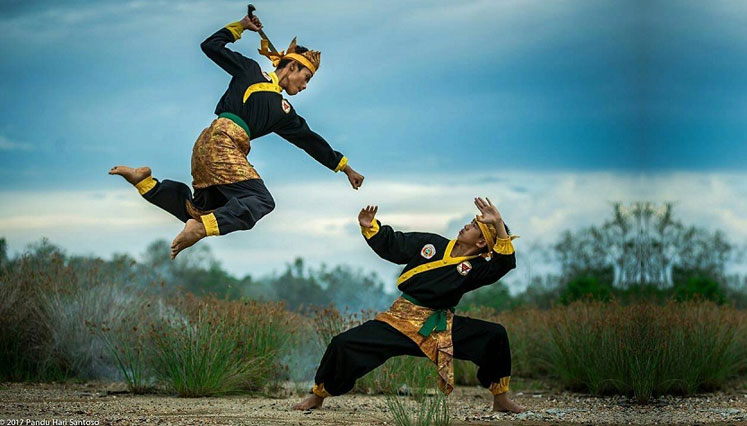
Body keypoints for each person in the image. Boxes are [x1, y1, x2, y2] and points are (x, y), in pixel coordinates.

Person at [110, 13, 364, 259]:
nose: (306, 85)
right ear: (293, 66)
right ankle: (201, 228)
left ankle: (145, 183)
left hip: (203, 146)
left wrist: (344, 167)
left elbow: (311, 141)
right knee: (261, 200)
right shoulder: (254, 74)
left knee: (200, 211)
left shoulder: (282, 110)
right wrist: (241, 26)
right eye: (306, 77)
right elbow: (211, 46)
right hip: (224, 144)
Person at [294, 197, 525, 413]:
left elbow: (503, 264)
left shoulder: (475, 269)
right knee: (343, 343)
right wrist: (370, 226)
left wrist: (498, 224)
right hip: (399, 321)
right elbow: (396, 244)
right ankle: (318, 395)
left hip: (437, 328)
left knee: (494, 335)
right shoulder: (432, 244)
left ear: (482, 241)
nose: (466, 226)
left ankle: (501, 399)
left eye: (474, 226)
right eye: (471, 222)